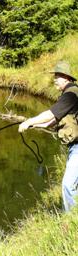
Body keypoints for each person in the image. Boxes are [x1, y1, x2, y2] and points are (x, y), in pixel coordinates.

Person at [19, 61, 78, 212]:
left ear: (65, 77)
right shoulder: (68, 93)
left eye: (57, 76)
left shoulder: (71, 94)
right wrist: (35, 125)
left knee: (67, 185)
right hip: (74, 147)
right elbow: (52, 120)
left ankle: (71, 221)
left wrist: (29, 121)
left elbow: (50, 114)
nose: (54, 80)